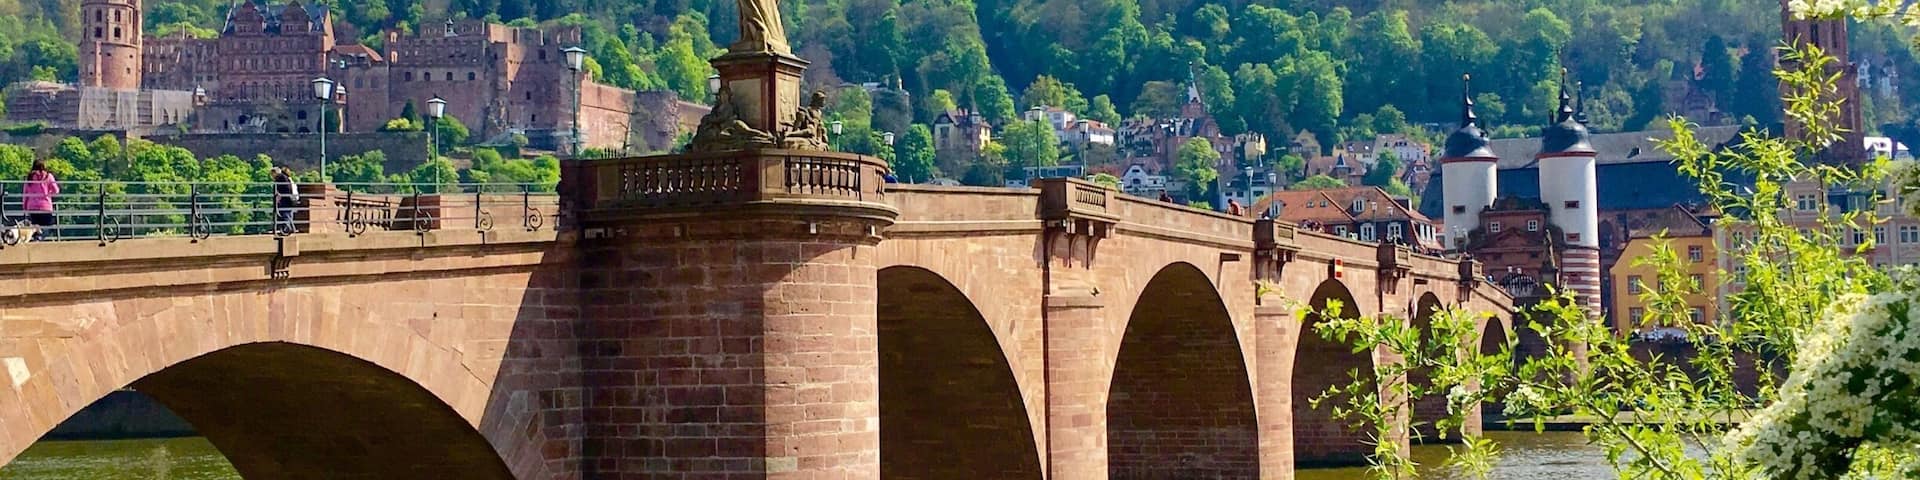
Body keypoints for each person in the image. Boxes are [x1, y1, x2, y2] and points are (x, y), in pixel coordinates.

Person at [22, 160, 58, 241]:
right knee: (48, 226)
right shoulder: (48, 176)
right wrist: (48, 194)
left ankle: (37, 239)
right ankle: (40, 238)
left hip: (32, 207)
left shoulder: (29, 177)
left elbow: (25, 194)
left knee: (34, 227)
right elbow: (56, 190)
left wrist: (24, 207)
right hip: (45, 206)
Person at [272, 167, 300, 235]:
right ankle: (291, 228)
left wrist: (280, 195)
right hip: (289, 198)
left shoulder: (280, 178)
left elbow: (282, 188)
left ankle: (287, 228)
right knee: (288, 214)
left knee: (285, 213)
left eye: (272, 174)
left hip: (284, 199)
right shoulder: (288, 178)